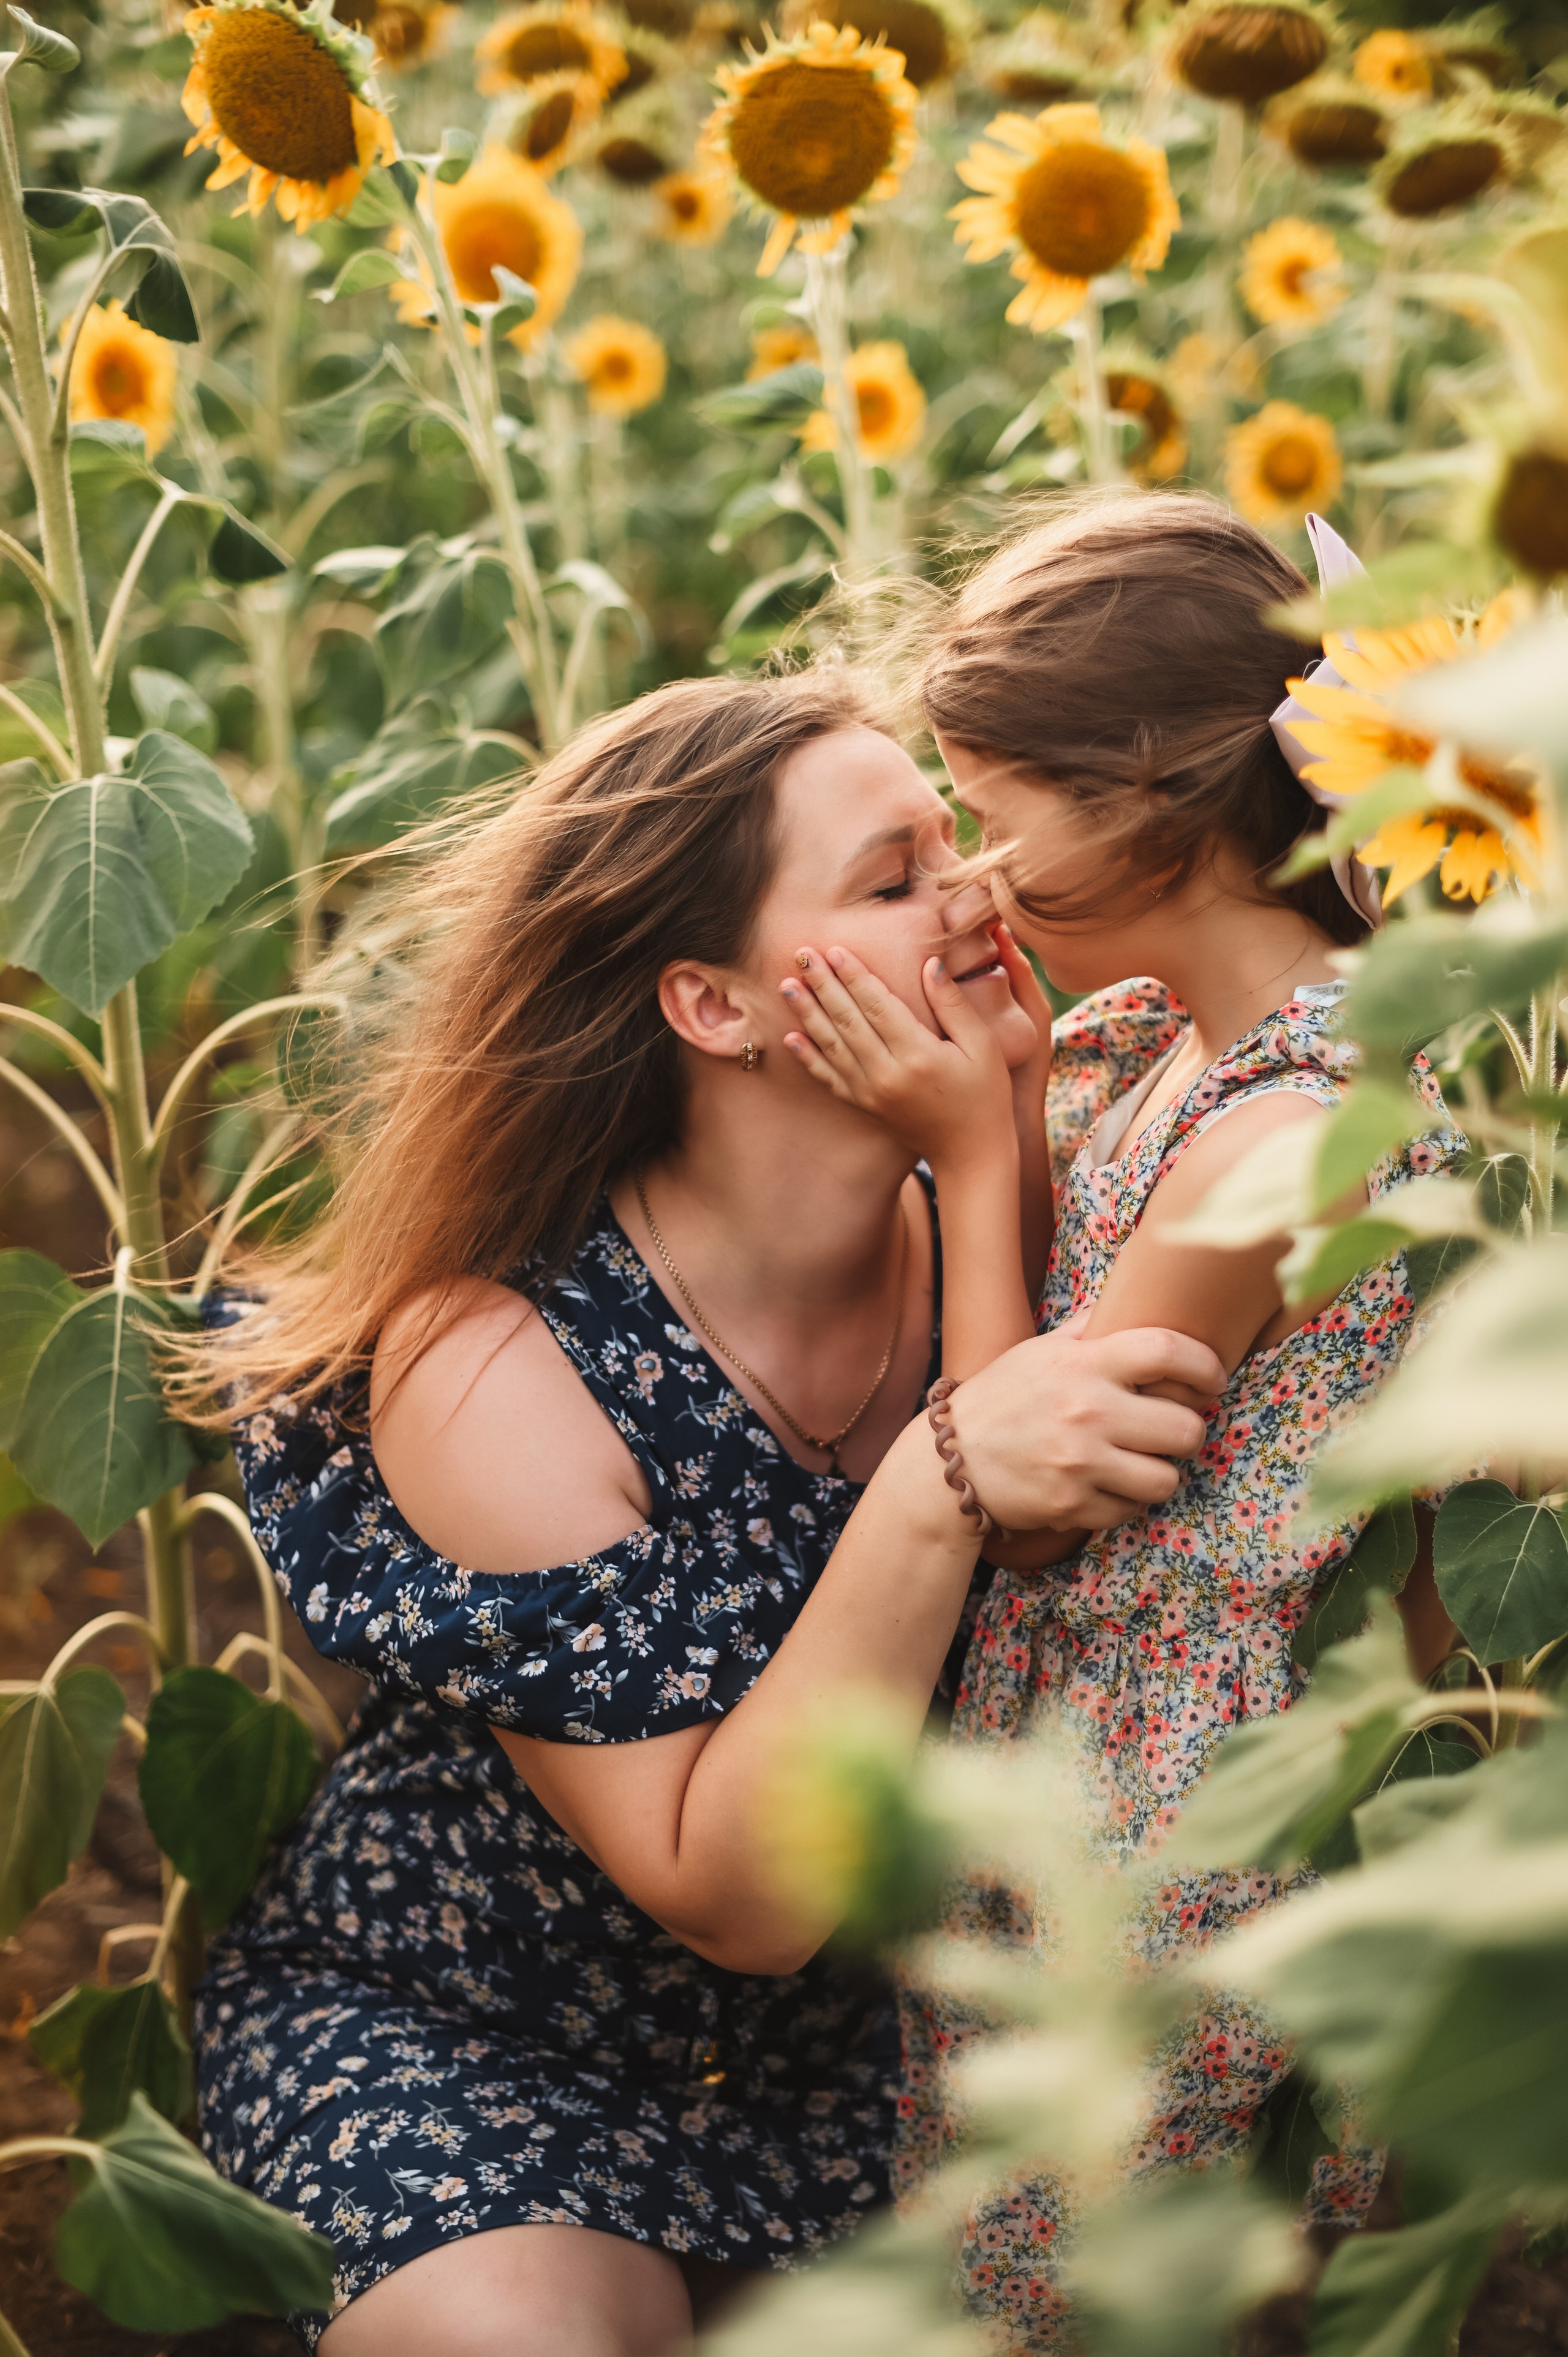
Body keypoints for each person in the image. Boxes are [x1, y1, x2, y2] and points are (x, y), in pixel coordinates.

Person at [179, 666, 1225, 2357]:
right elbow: (732, 1892)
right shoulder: (494, 1353)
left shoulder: (1016, 1213)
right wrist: (937, 1479)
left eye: (952, 845)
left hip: (857, 2075)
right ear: (714, 1006)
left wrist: (988, 1158)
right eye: (892, 882)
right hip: (481, 2034)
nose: (975, 891)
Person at [777, 492, 1464, 2348]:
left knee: (1094, 2270)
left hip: (1172, 1800)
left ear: (1157, 795)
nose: (977, 873)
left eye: (994, 815)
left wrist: (960, 1134)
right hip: (1104, 1731)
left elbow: (1032, 1486)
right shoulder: (1186, 1036)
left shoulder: (1276, 1137)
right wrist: (1008, 1085)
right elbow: (1053, 1336)